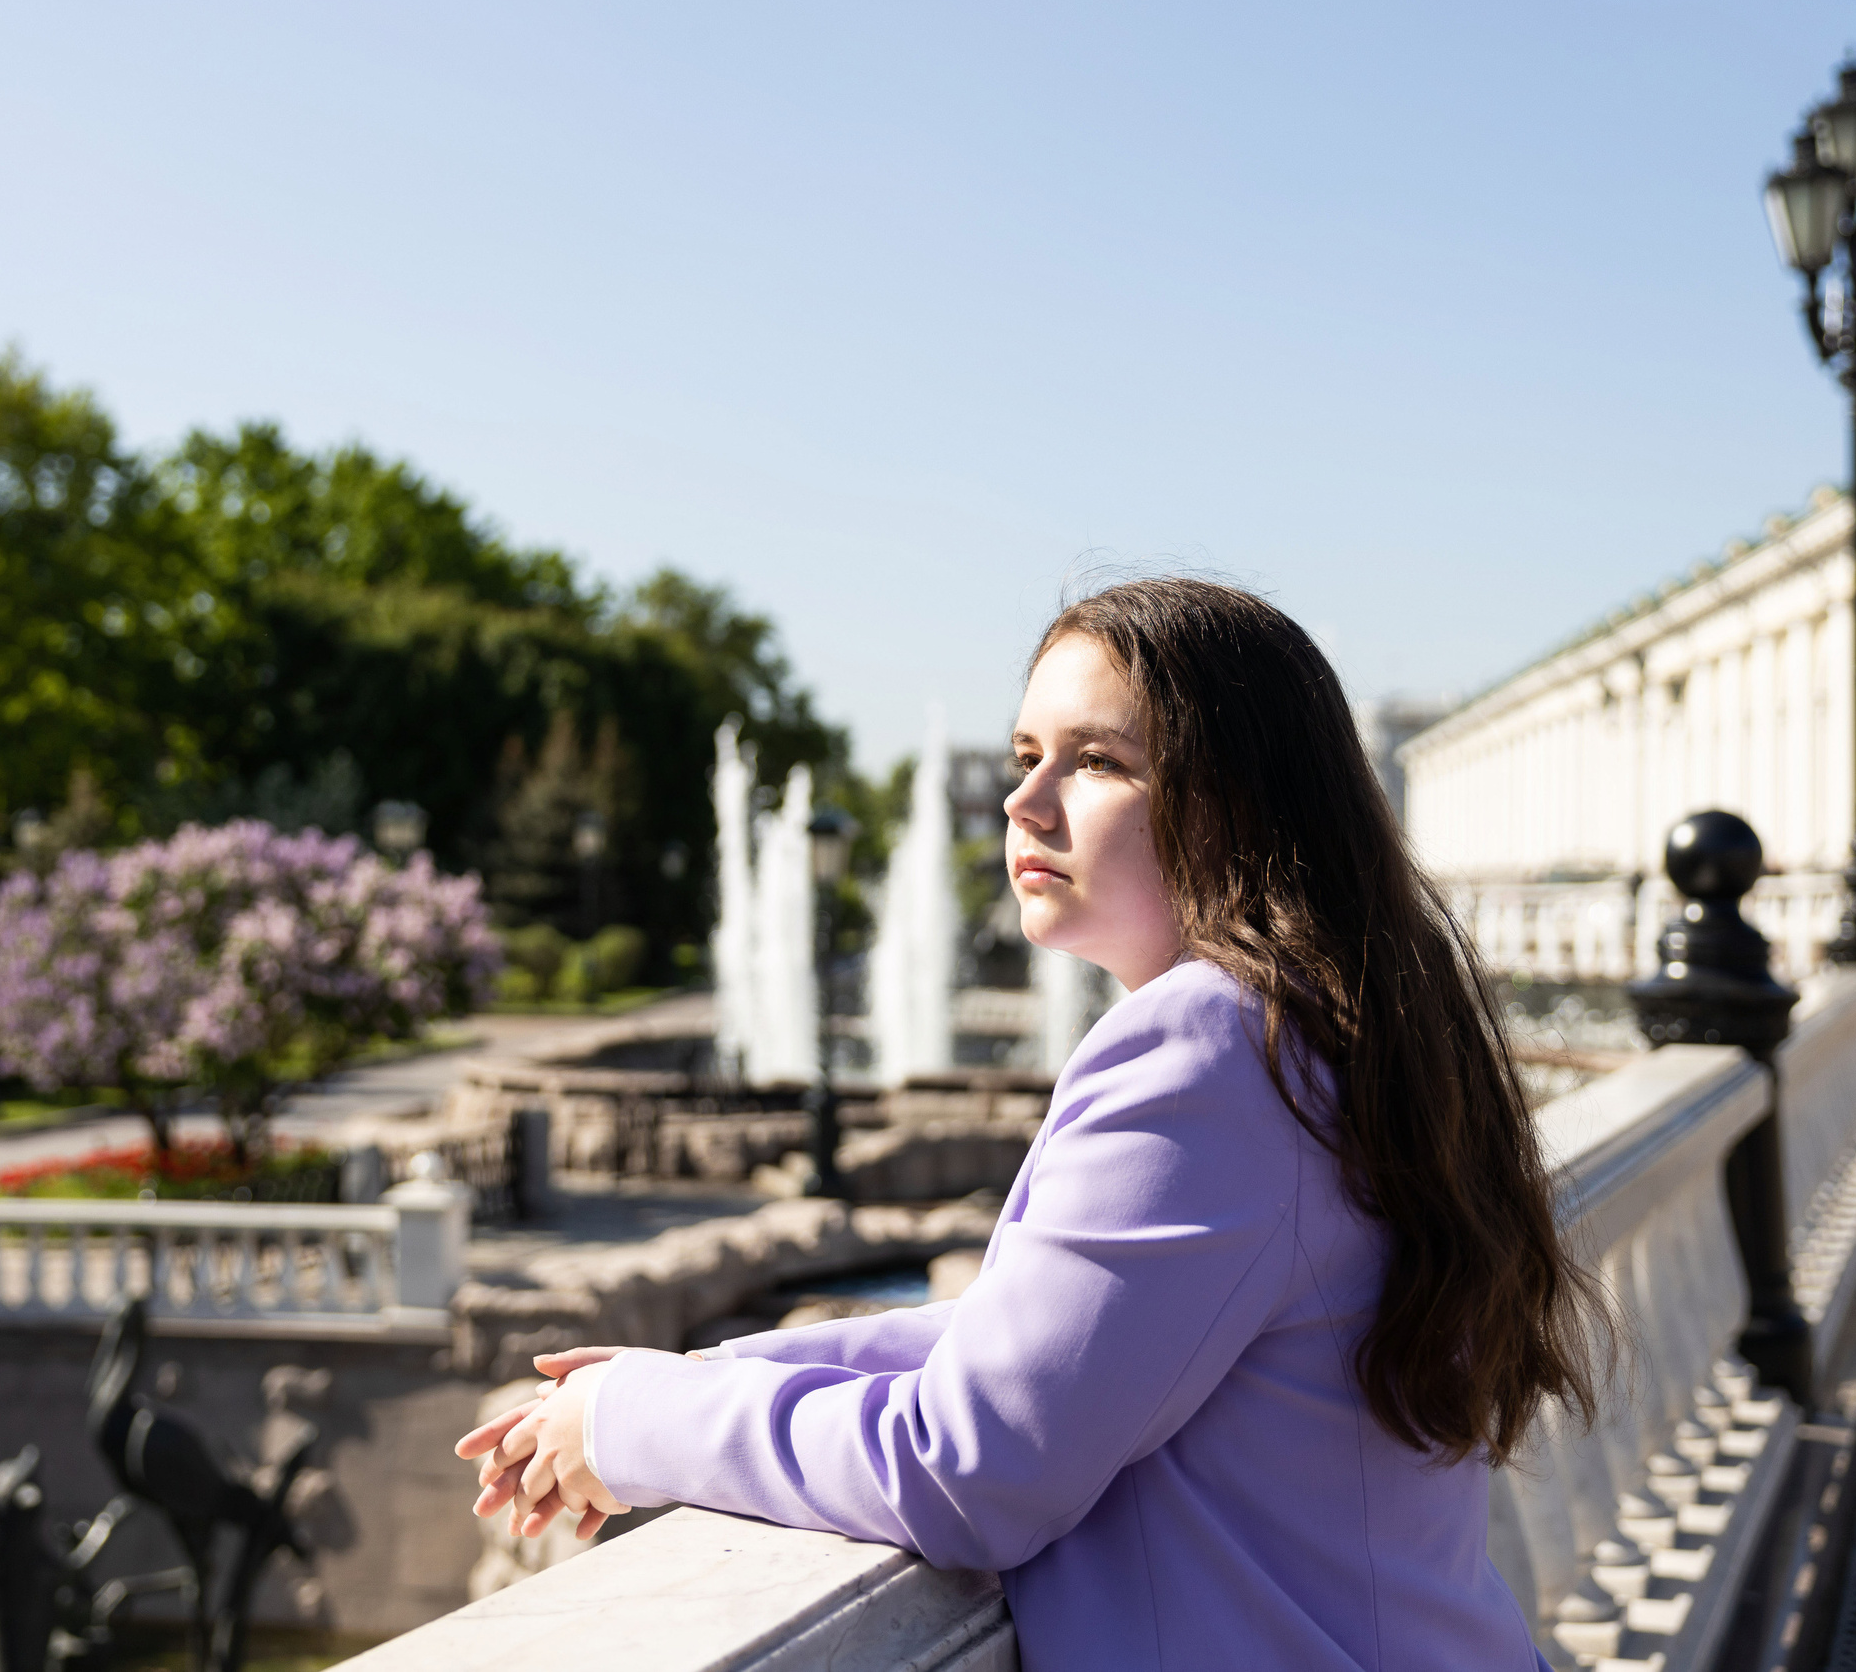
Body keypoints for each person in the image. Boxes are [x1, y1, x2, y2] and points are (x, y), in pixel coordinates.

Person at [457, 577, 1602, 1669]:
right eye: (1024, 756)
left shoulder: (1210, 1049)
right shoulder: (1327, 1030)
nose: (1024, 801)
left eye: (1096, 761)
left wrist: (631, 1426)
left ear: (1237, 802)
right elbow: (1030, 1339)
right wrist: (685, 1378)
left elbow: (972, 1466)